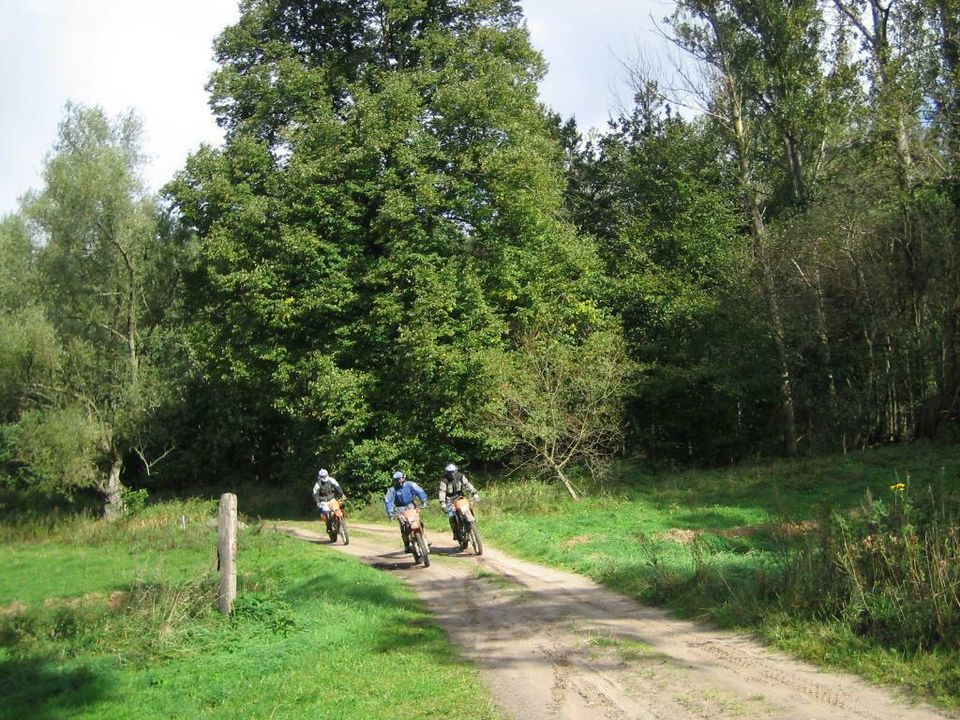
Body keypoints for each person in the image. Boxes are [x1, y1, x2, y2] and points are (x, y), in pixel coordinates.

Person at [383, 470, 428, 553]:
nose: (399, 481)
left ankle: (424, 538)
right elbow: (388, 501)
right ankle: (407, 545)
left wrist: (424, 501)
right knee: (404, 527)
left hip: (411, 506)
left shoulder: (410, 484)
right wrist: (390, 513)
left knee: (418, 522)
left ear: (404, 478)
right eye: (396, 480)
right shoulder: (392, 490)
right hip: (399, 509)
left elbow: (420, 491)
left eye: (400, 479)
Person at [438, 462, 479, 541]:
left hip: (460, 497)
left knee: (468, 508)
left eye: (453, 471)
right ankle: (455, 532)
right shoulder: (444, 480)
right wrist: (443, 503)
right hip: (450, 500)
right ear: (447, 472)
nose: (452, 474)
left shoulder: (460, 476)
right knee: (451, 516)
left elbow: (467, 484)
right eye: (450, 472)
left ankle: (473, 525)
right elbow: (442, 492)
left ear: (456, 471)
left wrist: (474, 493)